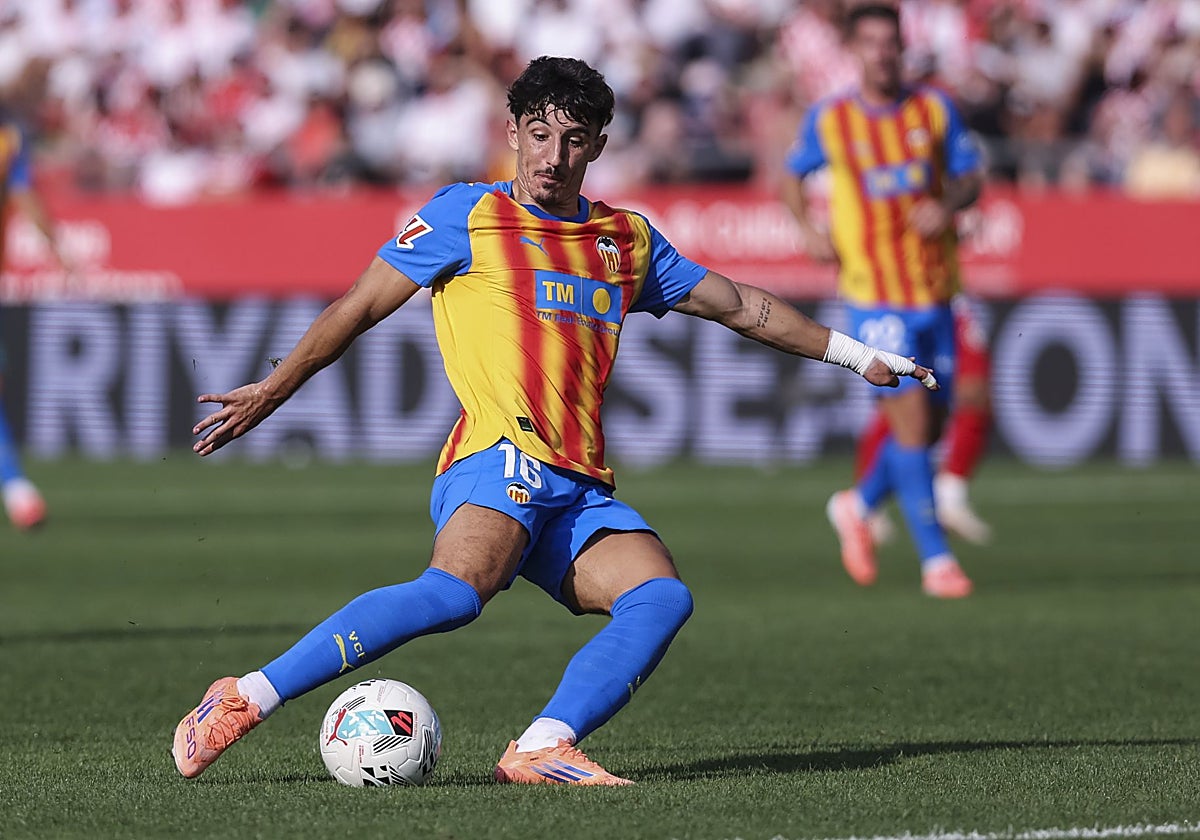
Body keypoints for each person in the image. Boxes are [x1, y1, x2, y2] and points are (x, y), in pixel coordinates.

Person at [172, 56, 937, 787]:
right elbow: (360, 306)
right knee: (456, 593)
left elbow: (738, 305)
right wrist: (273, 389)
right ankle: (244, 696)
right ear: (513, 133)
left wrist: (855, 354)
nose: (553, 156)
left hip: (578, 486)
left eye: (573, 139)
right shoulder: (466, 215)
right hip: (498, 454)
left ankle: (542, 745)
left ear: (598, 145)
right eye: (539, 134)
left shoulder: (625, 241)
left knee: (661, 597)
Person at [781, 4, 983, 598]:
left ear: (902, 47)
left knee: (934, 421)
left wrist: (948, 204)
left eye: (890, 41)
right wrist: (808, 228)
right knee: (913, 422)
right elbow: (791, 176)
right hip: (873, 295)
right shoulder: (833, 118)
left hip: (935, 289)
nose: (883, 52)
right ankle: (937, 561)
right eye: (870, 42)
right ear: (854, 50)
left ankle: (859, 503)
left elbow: (971, 176)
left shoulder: (934, 108)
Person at [854, 295, 993, 546]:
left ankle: (950, 496)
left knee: (969, 395)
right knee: (906, 406)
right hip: (894, 301)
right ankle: (865, 502)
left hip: (943, 298)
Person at [0, 107, 64, 531]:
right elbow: (24, 196)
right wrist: (58, 250)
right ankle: (16, 488)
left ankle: (16, 488)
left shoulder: (8, 139)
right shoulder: (8, 138)